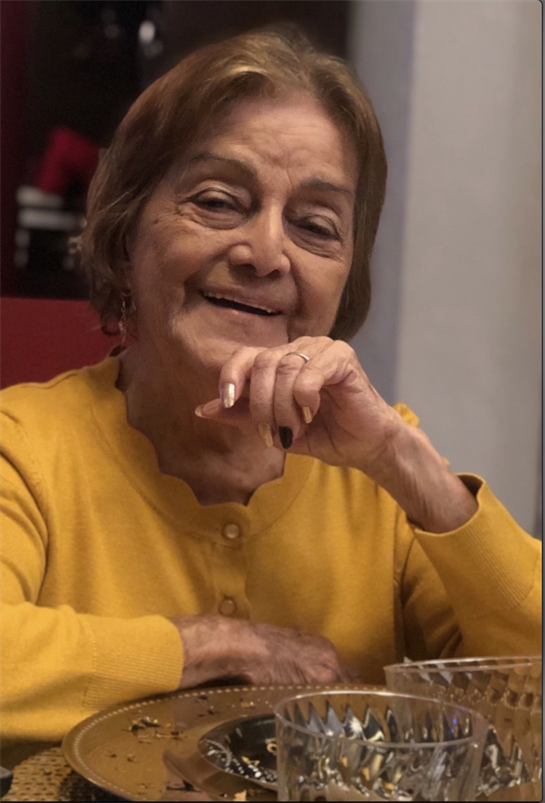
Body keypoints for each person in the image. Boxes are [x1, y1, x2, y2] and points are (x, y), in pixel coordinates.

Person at [0, 27, 540, 764]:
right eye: (219, 201)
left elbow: (526, 687)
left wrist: (408, 465)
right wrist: (214, 645)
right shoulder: (25, 446)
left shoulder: (380, 479)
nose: (264, 254)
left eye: (314, 226)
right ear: (127, 231)